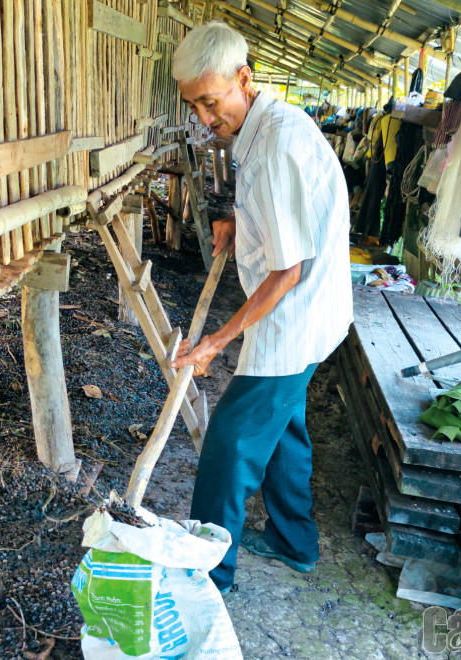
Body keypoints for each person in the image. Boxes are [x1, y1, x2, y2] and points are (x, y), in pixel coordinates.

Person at [169, 21, 353, 594]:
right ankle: (294, 542)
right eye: (194, 105)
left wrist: (217, 341)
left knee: (229, 444)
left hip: (295, 317)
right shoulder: (268, 124)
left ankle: (208, 577)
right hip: (317, 313)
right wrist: (236, 221)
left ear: (243, 79)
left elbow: (288, 270)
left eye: (211, 100)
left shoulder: (274, 145)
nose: (204, 117)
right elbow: (279, 214)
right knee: (287, 428)